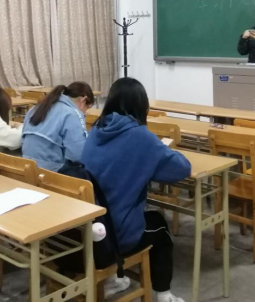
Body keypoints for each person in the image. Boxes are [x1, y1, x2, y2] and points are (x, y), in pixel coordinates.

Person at [82, 77, 191, 303]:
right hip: (117, 234)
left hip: (89, 226)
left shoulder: (96, 130)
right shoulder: (141, 137)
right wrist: (161, 150)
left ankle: (113, 280)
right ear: (142, 106)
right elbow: (182, 169)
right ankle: (164, 295)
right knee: (159, 225)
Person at [22, 82, 94, 172]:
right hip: (50, 172)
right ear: (83, 100)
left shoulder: (36, 108)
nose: (85, 113)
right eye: (87, 108)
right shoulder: (72, 113)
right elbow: (77, 155)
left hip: (27, 167)